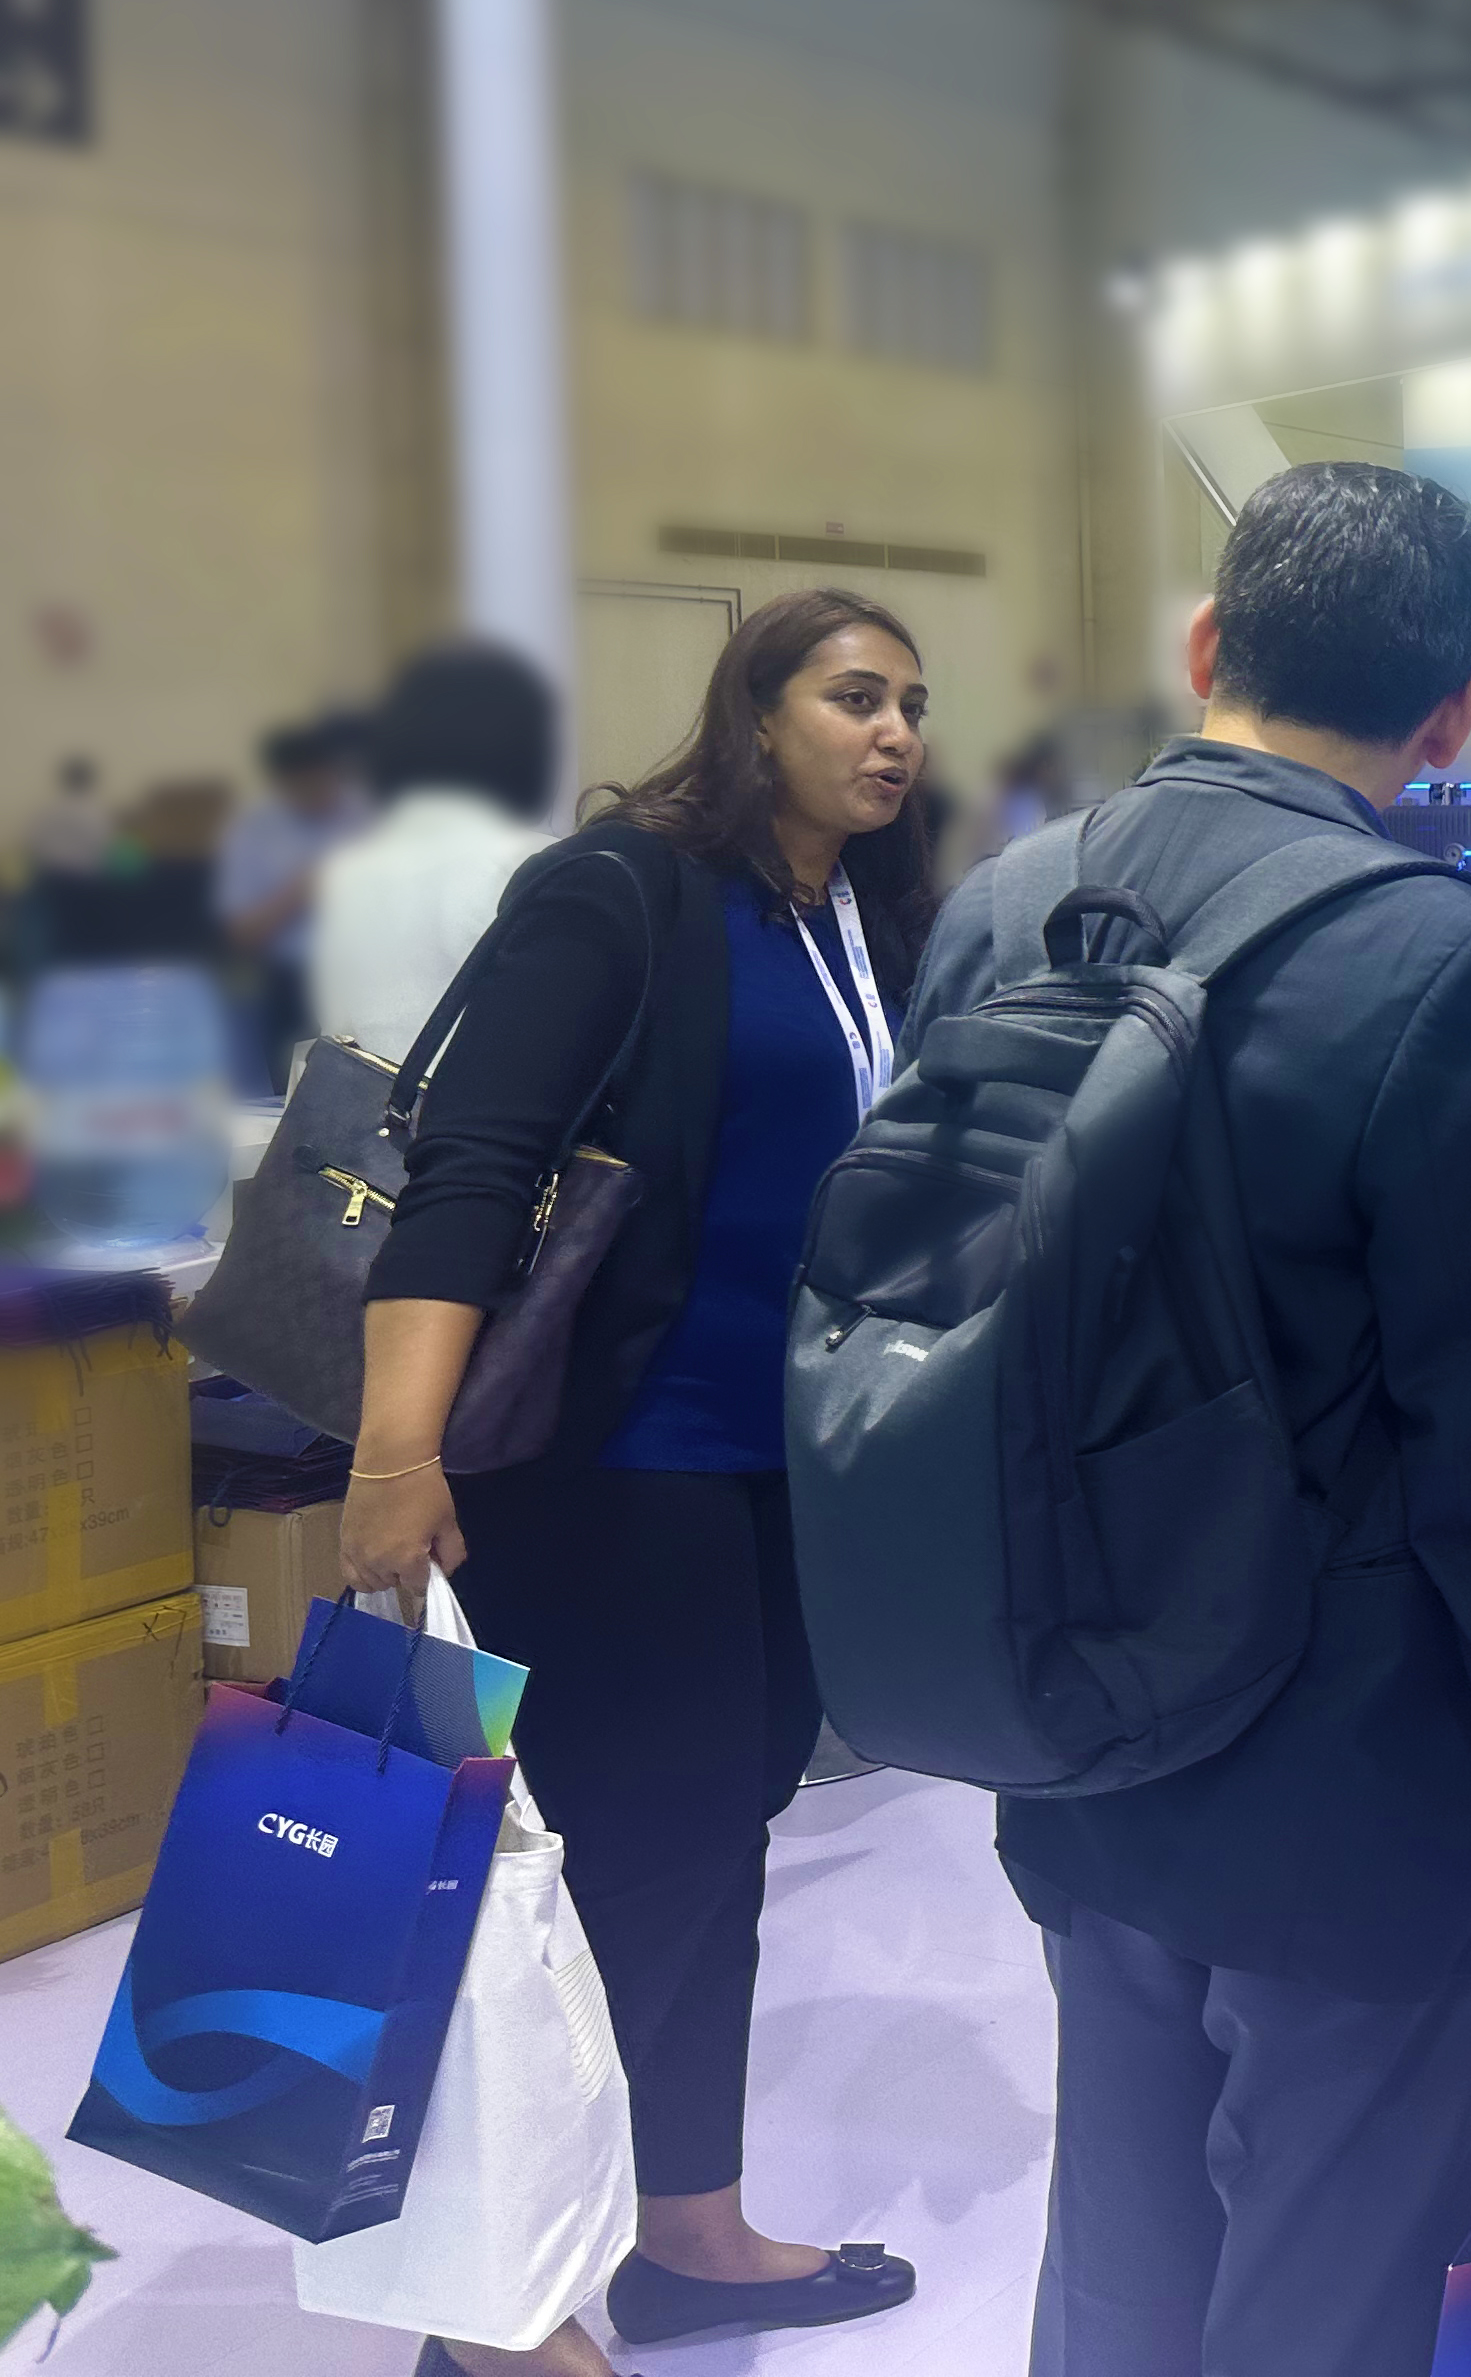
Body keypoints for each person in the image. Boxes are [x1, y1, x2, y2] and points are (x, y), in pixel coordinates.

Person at [901, 463, 1471, 2377]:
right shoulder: (1445, 963)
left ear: (1205, 644)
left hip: (1076, 1732)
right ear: (1451, 718)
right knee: (1339, 2295)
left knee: (1124, 2264)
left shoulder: (1000, 911)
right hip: (1358, 1796)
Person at [343, 591, 937, 2377]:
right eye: (854, 696)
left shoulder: (857, 922)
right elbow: (470, 1166)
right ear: (755, 715)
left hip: (784, 1467)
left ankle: (688, 2228)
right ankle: (496, 2306)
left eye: (911, 704)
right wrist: (394, 1451)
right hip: (614, 1460)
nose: (894, 732)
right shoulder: (621, 891)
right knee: (594, 1874)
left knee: (715, 1845)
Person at [313, 646, 559, 1063]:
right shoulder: (534, 862)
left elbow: (337, 1029)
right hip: (487, 1098)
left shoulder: (348, 870)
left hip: (371, 1099)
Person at [216, 718, 367, 1086]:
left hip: (365, 974)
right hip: (290, 985)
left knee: (369, 1088)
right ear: (283, 783)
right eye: (306, 786)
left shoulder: (363, 814)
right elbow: (241, 933)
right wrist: (296, 894)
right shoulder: (254, 830)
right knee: (297, 1093)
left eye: (326, 782)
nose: (320, 795)